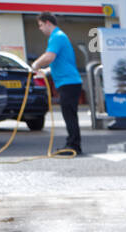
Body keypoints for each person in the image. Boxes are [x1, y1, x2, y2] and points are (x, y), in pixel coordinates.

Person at [31, 12, 83, 155]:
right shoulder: (59, 36)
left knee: (69, 115)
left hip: (68, 82)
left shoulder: (57, 37)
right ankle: (73, 144)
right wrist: (46, 72)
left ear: (48, 23)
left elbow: (49, 57)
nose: (40, 29)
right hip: (69, 82)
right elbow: (59, 62)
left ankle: (73, 146)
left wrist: (35, 65)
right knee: (70, 115)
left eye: (41, 25)